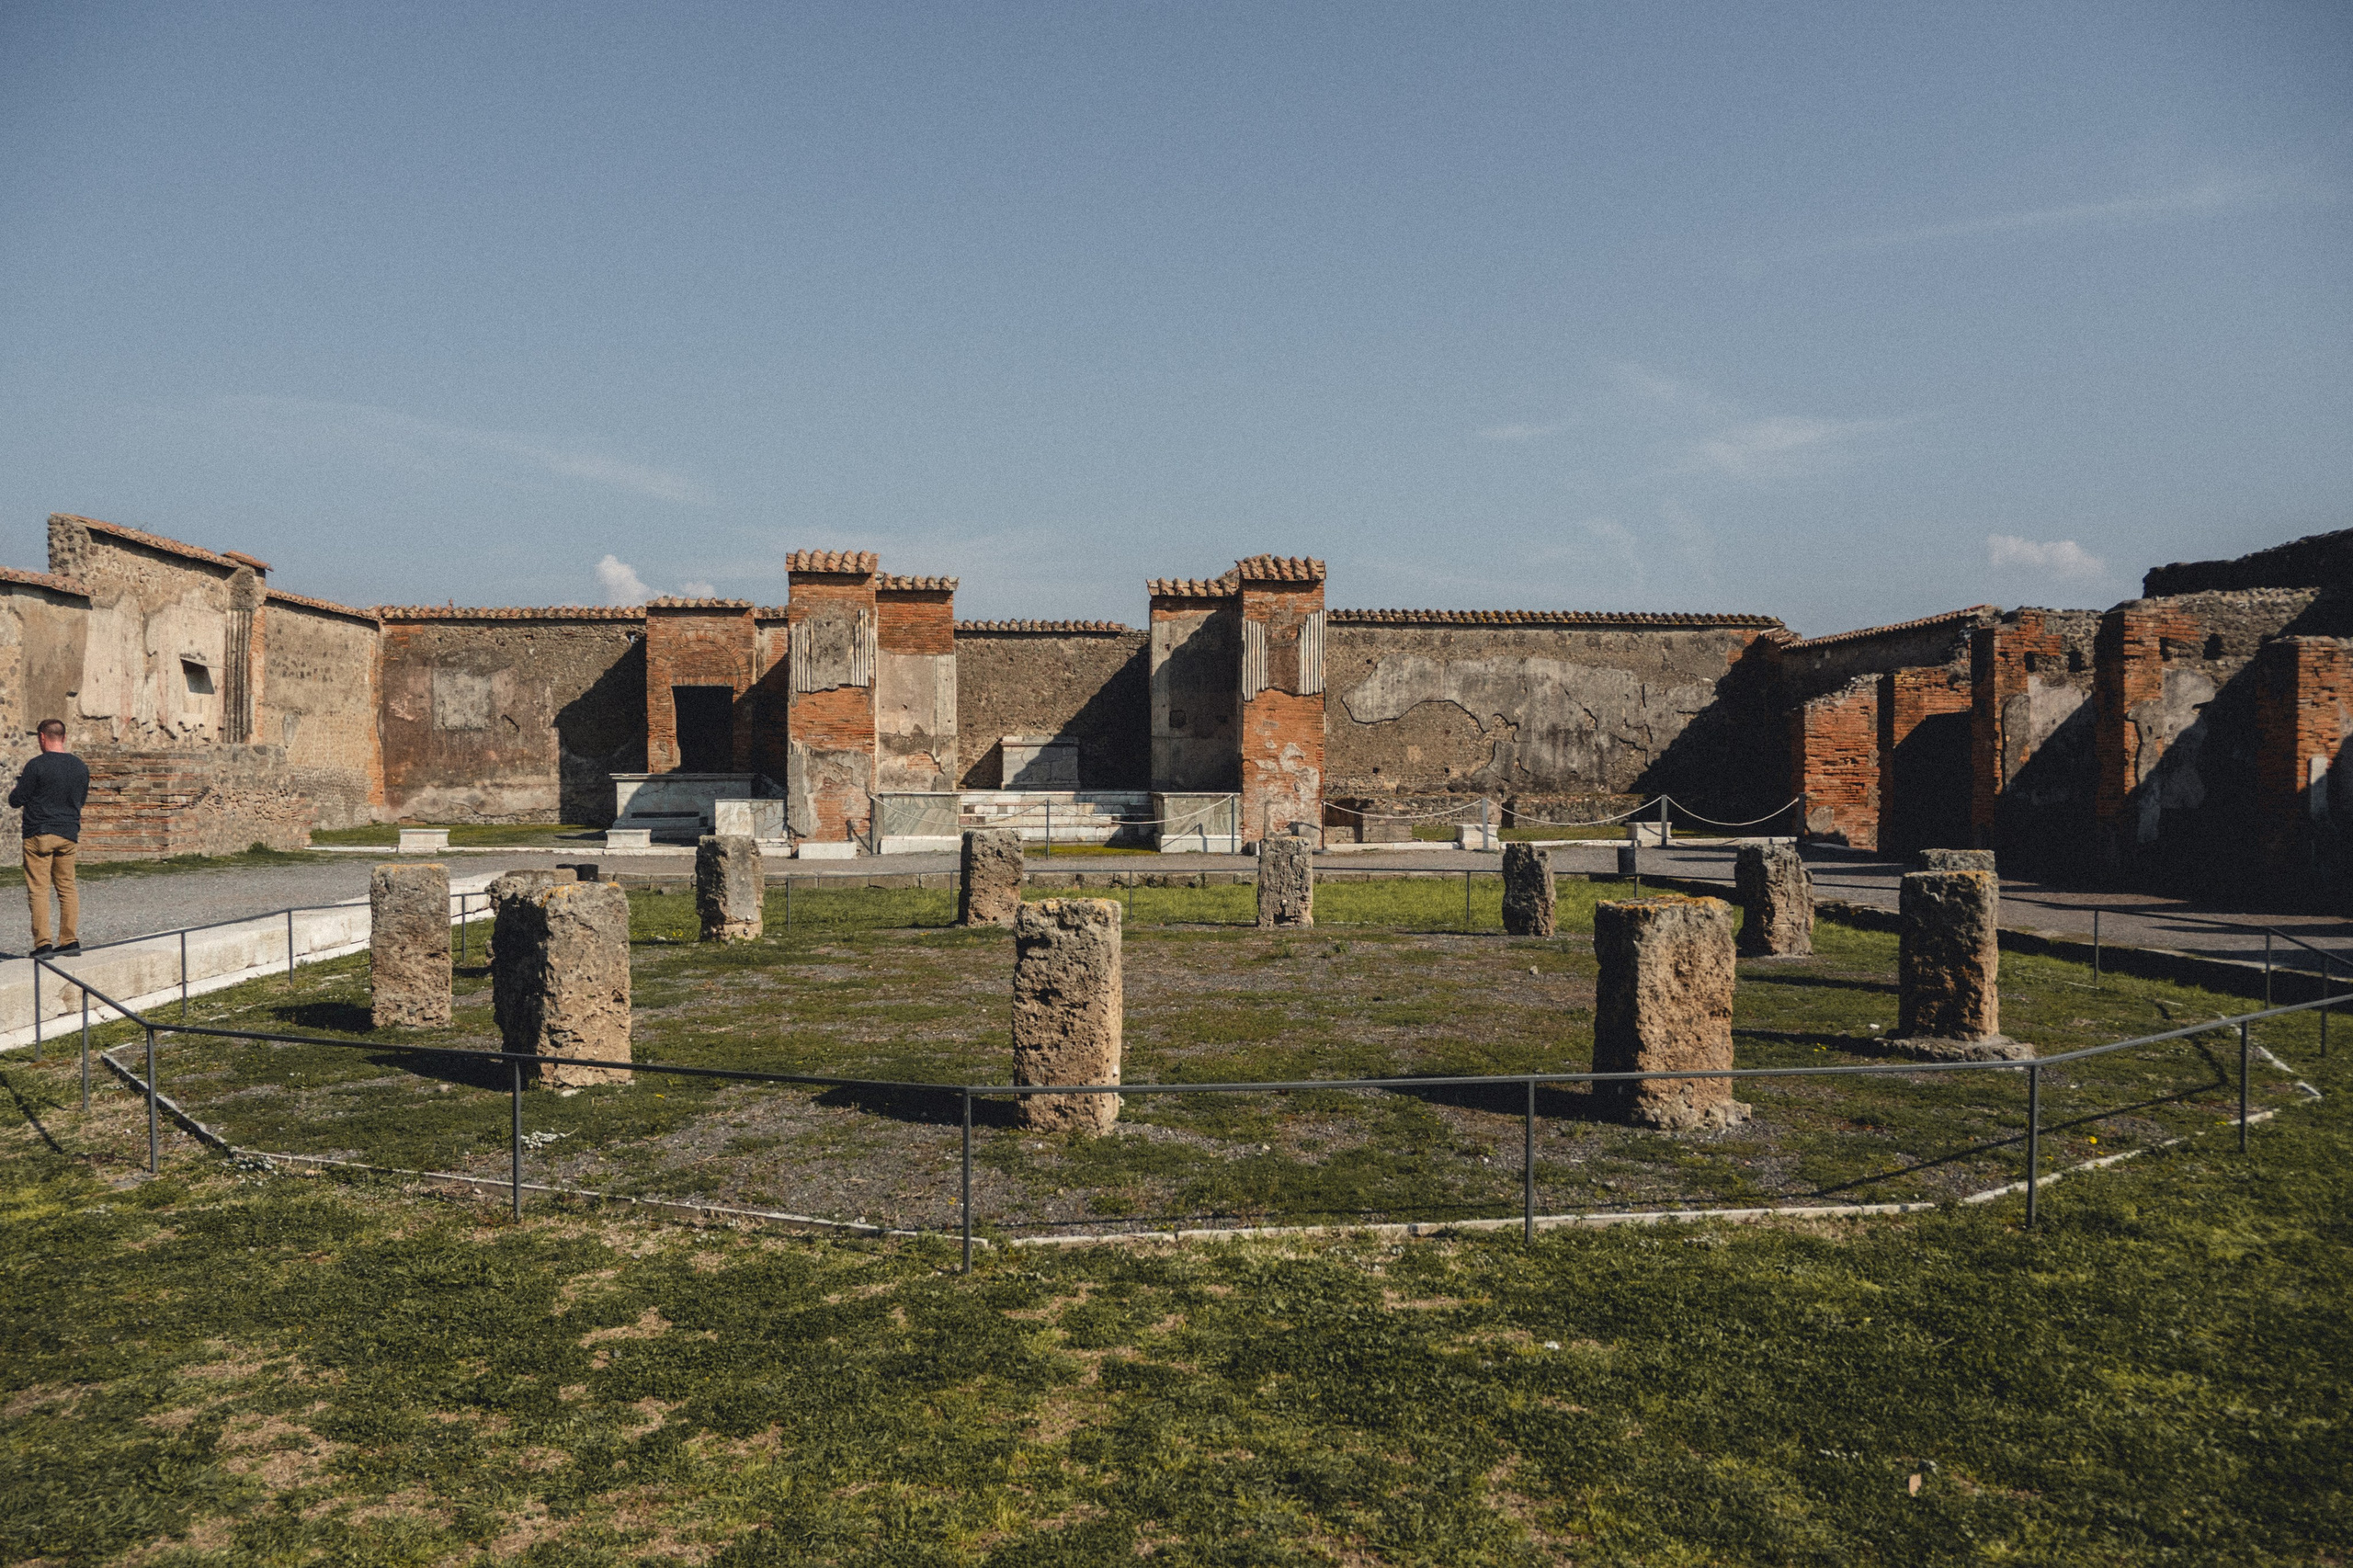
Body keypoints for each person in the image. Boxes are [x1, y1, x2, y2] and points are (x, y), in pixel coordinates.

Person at [11, 720, 89, 957]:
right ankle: (69, 940)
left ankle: (43, 943)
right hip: (68, 833)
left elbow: (16, 800)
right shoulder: (80, 767)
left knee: (39, 889)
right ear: (63, 738)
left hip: (39, 833)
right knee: (67, 887)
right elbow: (80, 800)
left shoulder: (36, 766)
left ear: (42, 737)